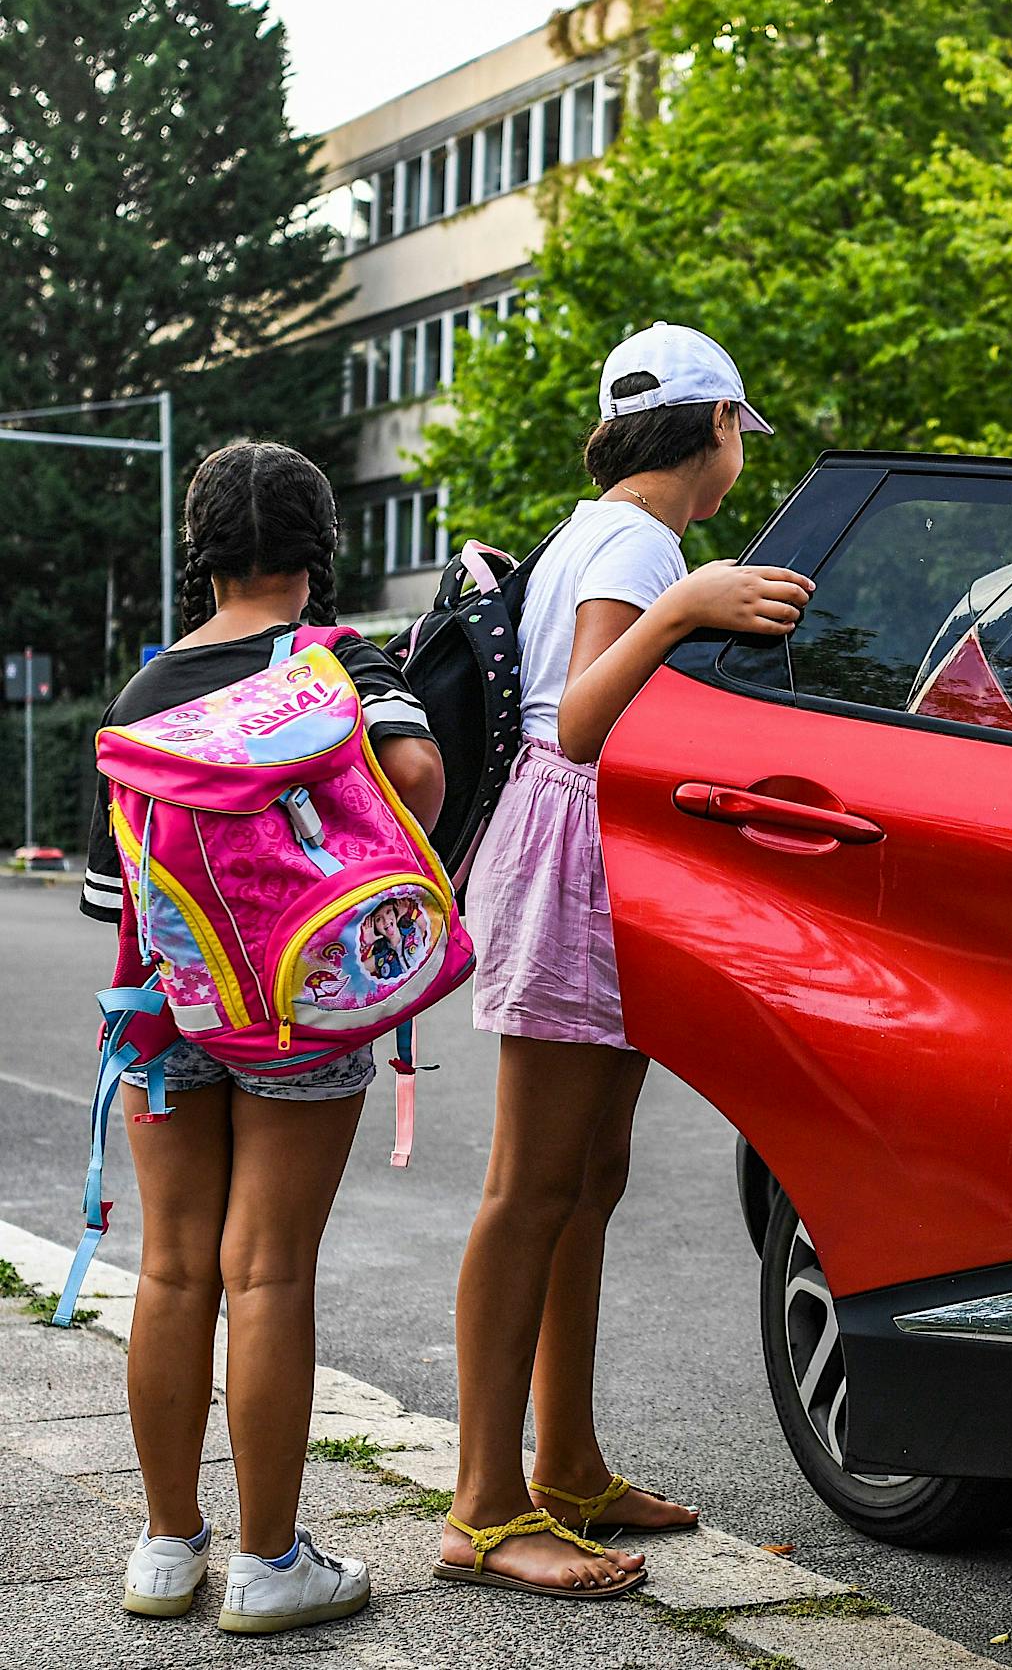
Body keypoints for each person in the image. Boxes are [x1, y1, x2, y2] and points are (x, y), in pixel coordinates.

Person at [439, 323, 813, 1599]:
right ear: (712, 430)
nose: (736, 465)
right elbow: (588, 719)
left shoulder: (600, 528)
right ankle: (485, 1505)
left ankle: (572, 1466)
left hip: (581, 860)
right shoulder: (644, 543)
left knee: (585, 1177)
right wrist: (687, 605)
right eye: (735, 438)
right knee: (530, 1186)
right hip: (569, 856)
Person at [83, 441, 447, 1633]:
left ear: (203, 554)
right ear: (315, 547)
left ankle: (164, 1547)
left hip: (169, 1006)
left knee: (175, 1266)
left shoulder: (145, 693)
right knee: (269, 1269)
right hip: (304, 1000)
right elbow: (415, 770)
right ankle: (269, 1561)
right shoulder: (338, 662)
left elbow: (108, 896)